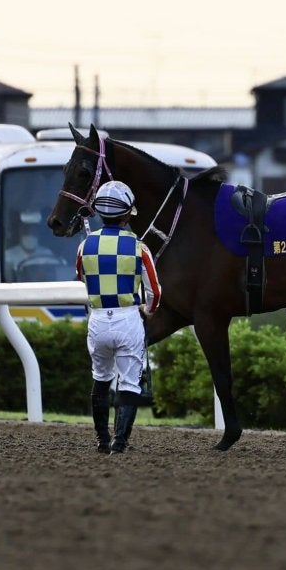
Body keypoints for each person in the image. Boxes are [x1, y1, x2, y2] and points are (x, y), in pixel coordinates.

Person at [77, 180, 161, 455]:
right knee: (129, 383)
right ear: (126, 214)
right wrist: (148, 311)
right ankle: (119, 443)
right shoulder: (139, 247)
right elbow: (155, 291)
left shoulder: (84, 246)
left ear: (100, 213)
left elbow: (81, 276)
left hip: (98, 320)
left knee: (101, 379)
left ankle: (102, 440)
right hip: (128, 320)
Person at [5, 214, 54, 280]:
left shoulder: (47, 254)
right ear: (20, 232)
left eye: (33, 230)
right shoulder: (9, 255)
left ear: (38, 233)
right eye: (26, 230)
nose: (30, 233)